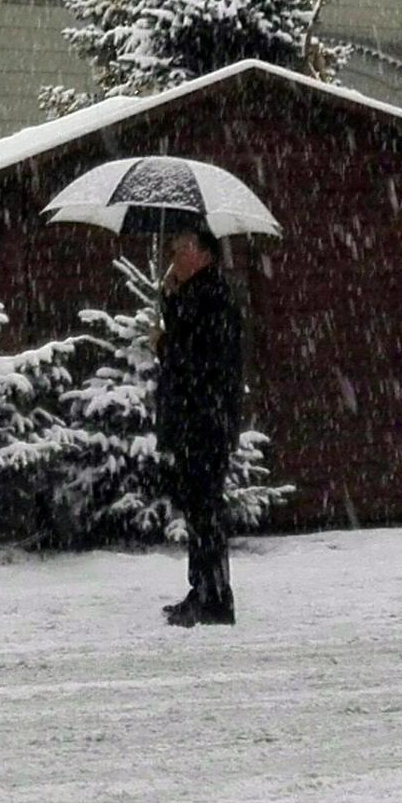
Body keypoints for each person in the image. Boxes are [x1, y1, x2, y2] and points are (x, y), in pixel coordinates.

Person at [153, 218, 245, 627]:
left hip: (205, 421)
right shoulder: (195, 294)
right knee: (197, 509)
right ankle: (202, 590)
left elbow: (200, 362)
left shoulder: (213, 297)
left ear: (203, 253)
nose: (173, 253)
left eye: (180, 247)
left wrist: (165, 344)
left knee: (205, 510)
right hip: (196, 420)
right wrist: (170, 300)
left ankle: (216, 599)